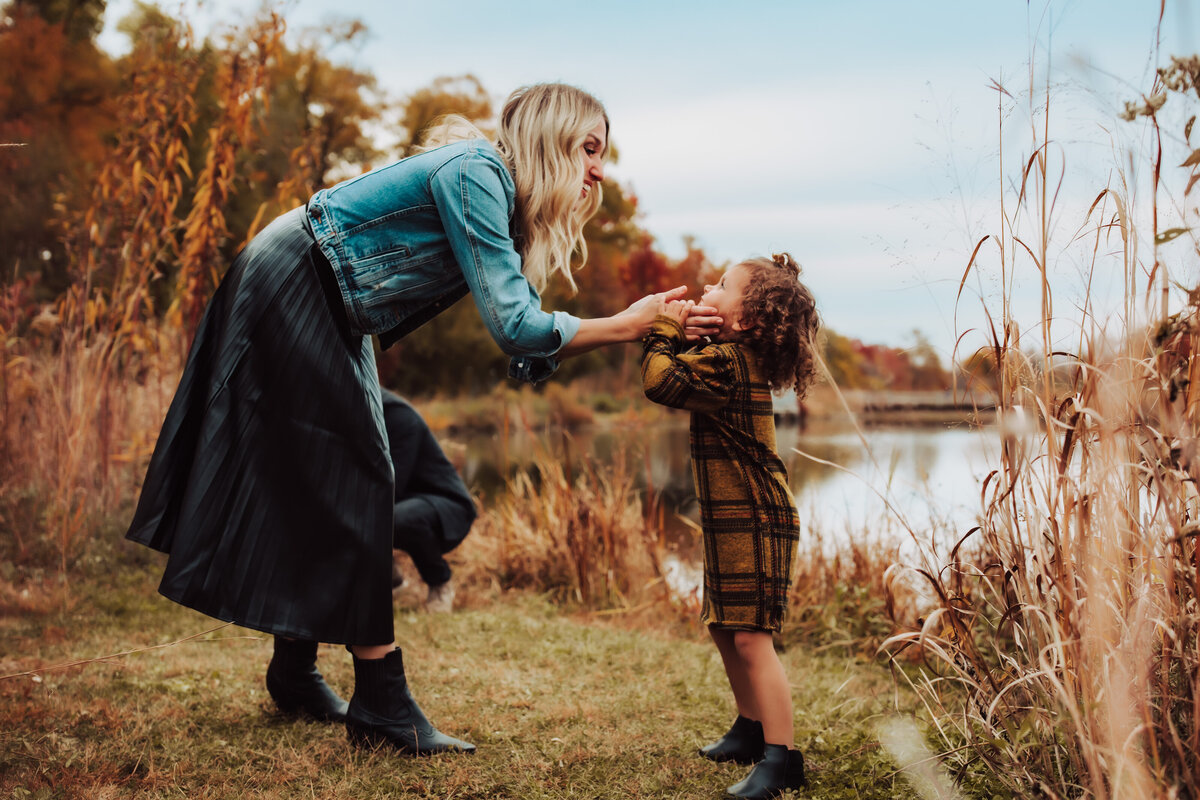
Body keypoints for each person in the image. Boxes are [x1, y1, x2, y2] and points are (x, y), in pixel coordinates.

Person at [126, 83, 720, 756]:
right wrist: (627, 323)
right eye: (589, 148)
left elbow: (523, 337)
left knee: (325, 475)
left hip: (330, 298)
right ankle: (380, 701)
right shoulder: (477, 172)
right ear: (551, 138)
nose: (597, 171)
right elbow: (518, 327)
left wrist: (649, 328)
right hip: (299, 277)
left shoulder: (493, 192)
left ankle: (294, 672)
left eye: (602, 155)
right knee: (358, 475)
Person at [640, 253, 819, 799]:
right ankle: (749, 728)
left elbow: (661, 382)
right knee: (723, 623)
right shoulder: (724, 357)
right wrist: (687, 332)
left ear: (743, 321)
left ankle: (782, 757)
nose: (707, 288)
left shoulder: (731, 364)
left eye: (721, 285)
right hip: (733, 519)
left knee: (750, 637)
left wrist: (664, 328)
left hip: (758, 519)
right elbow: (686, 368)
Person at [380, 388, 474, 613]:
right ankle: (392, 581)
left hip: (446, 504)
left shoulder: (400, 417)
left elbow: (391, 485)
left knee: (395, 518)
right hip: (407, 502)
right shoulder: (356, 419)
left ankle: (440, 583)